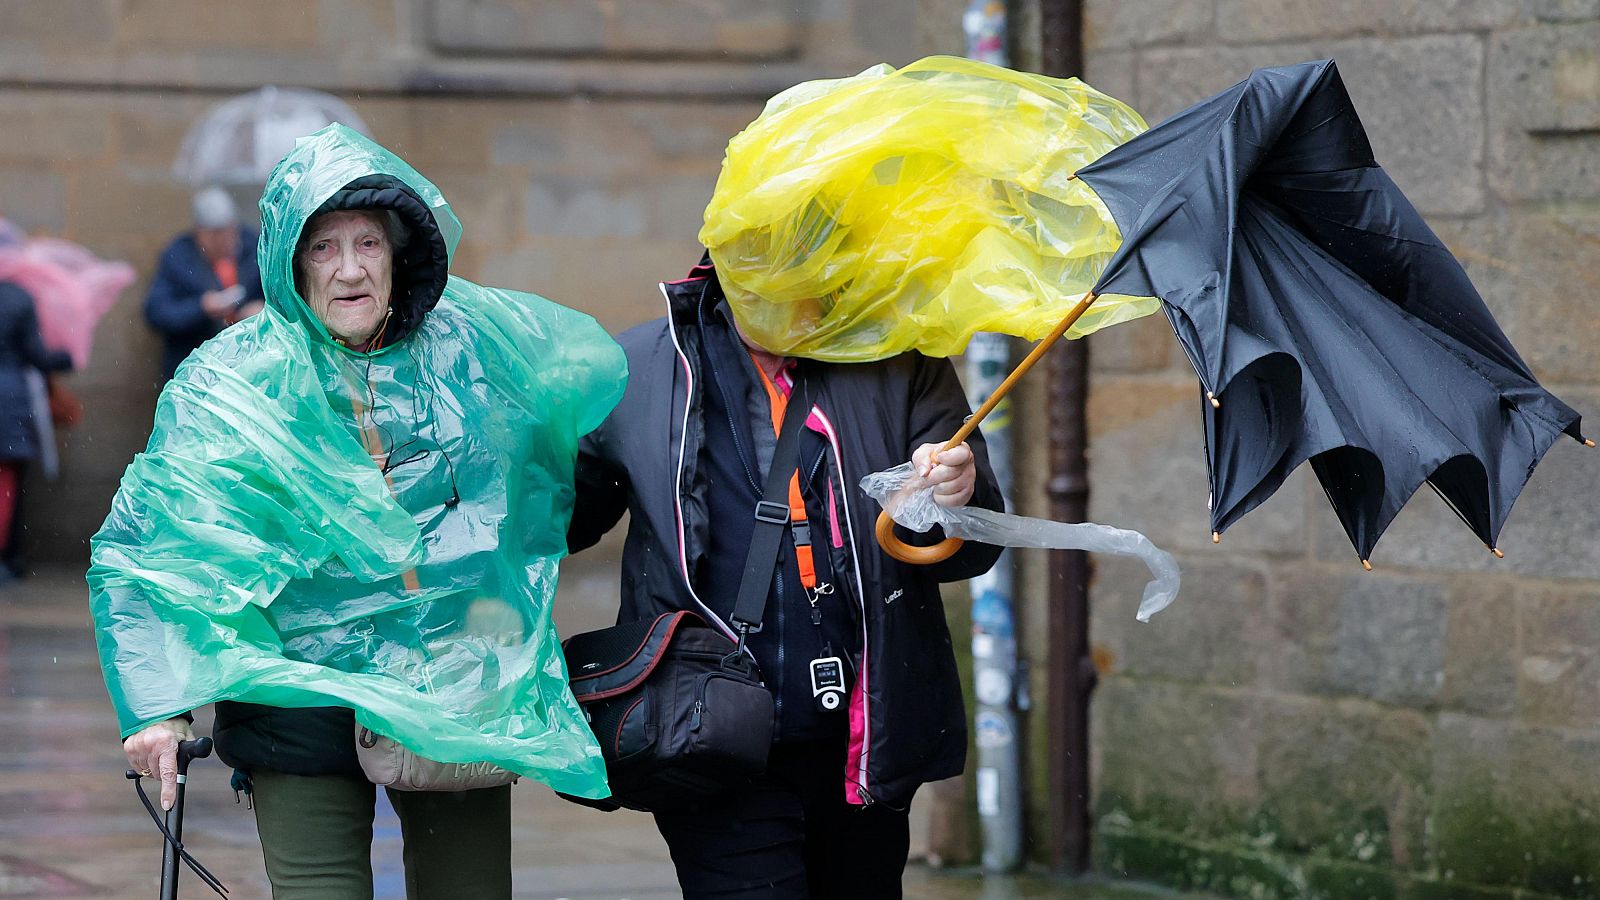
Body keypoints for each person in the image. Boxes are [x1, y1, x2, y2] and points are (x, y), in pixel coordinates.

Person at [98, 126, 624, 899]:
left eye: (368, 243)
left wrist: (513, 598)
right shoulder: (232, 383)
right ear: (289, 261)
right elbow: (159, 545)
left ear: (398, 253)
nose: (349, 270)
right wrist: (160, 707)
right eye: (324, 247)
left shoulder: (471, 350)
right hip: (297, 704)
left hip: (455, 694)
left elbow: (554, 481)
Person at [568, 255, 1003, 898]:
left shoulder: (898, 357)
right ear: (722, 258)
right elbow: (558, 520)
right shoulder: (637, 369)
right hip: (704, 732)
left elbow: (967, 550)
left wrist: (954, 496)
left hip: (863, 742)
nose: (784, 295)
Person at [144, 186, 265, 382]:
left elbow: (284, 296)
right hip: (196, 367)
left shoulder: (256, 249)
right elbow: (156, 312)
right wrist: (200, 307)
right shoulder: (178, 257)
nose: (222, 241)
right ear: (198, 233)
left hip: (249, 365)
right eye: (213, 234)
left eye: (227, 232)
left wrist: (262, 311)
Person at [0, 279, 71, 582]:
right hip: (9, 400)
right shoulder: (18, 296)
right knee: (6, 486)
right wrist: (65, 358)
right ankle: (6, 558)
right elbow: (37, 354)